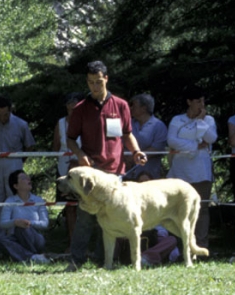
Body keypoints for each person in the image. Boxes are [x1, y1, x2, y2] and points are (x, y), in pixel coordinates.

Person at [65, 61, 147, 271]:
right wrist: (81, 155)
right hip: (90, 174)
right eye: (91, 82)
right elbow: (71, 140)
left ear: (106, 79)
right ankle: (76, 261)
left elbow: (128, 134)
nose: (94, 86)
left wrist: (136, 152)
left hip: (114, 174)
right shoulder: (81, 109)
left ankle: (104, 260)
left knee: (110, 218)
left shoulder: (121, 105)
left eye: (98, 82)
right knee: (85, 218)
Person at [167, 85, 217, 249]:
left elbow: (211, 138)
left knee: (201, 209)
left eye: (203, 101)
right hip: (180, 172)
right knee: (178, 208)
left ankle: (201, 243)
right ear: (189, 102)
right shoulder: (177, 120)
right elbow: (171, 140)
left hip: (201, 172)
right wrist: (194, 145)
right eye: (197, 101)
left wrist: (201, 121)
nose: (201, 104)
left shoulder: (208, 120)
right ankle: (180, 245)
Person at [0, 95, 35, 251]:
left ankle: (13, 236)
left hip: (14, 160)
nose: (2, 118)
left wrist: (20, 161)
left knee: (13, 199)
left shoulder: (21, 124)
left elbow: (29, 145)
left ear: (10, 110)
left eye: (5, 114)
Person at [0, 170, 49, 264]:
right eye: (23, 178)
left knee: (21, 228)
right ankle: (33, 257)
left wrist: (29, 223)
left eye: (28, 177)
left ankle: (26, 255)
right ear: (16, 186)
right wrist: (15, 222)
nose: (28, 179)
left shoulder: (38, 200)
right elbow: (3, 223)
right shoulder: (10, 201)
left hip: (36, 239)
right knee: (1, 241)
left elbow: (45, 224)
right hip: (17, 238)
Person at [52, 92, 83, 251]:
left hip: (83, 169)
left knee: (84, 206)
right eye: (69, 109)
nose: (72, 112)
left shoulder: (87, 122)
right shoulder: (61, 123)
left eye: (75, 109)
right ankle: (72, 243)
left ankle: (84, 244)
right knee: (70, 207)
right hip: (64, 168)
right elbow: (55, 147)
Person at [134, 172, 180, 267]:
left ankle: (145, 257)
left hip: (158, 234)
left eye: (147, 181)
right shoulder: (131, 198)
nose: (144, 184)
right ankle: (149, 258)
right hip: (138, 232)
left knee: (172, 241)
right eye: (141, 181)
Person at [125, 93, 168, 180]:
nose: (131, 108)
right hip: (127, 173)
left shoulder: (158, 126)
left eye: (134, 105)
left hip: (148, 174)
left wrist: (134, 157)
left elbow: (157, 148)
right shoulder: (129, 123)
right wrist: (125, 159)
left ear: (144, 108)